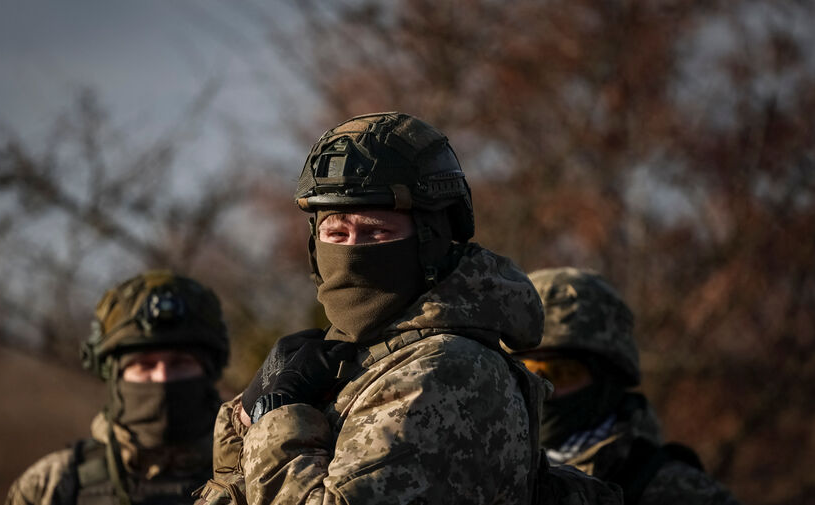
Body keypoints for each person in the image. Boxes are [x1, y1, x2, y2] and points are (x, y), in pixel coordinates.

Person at [197, 112, 572, 505]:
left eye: (377, 232)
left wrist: (278, 417)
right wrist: (245, 417)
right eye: (336, 233)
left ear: (431, 239)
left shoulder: (448, 369)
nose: (352, 251)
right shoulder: (354, 360)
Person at [510, 267, 740, 505]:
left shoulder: (683, 494)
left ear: (608, 381)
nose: (543, 389)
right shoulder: (481, 475)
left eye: (563, 373)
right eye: (524, 372)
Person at [6, 270, 229, 505]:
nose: (162, 377)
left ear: (209, 371)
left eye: (180, 363)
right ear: (114, 376)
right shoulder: (51, 485)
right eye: (145, 365)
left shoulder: (257, 471)